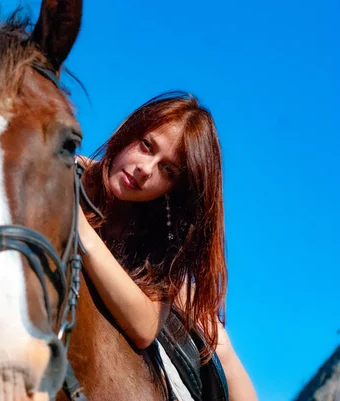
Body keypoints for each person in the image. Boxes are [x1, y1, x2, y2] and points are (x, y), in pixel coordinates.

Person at [76, 90, 257, 401]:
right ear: (129, 133)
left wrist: (81, 230)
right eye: (147, 146)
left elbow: (145, 330)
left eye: (167, 170)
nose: (145, 169)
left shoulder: (162, 238)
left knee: (216, 340)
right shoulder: (70, 173)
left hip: (157, 294)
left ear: (174, 188)